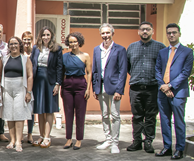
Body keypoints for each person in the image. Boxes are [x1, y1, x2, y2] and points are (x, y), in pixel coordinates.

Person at [155, 23, 194, 160]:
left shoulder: (187, 52)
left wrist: (170, 86)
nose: (171, 35)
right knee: (164, 120)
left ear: (179, 34)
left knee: (178, 121)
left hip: (178, 92)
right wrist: (163, 87)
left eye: (174, 32)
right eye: (169, 33)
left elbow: (185, 73)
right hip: (163, 92)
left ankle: (179, 149)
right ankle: (167, 147)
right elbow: (158, 71)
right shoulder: (162, 52)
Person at [126, 21, 166, 153]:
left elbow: (163, 67)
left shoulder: (160, 47)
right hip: (135, 88)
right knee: (136, 116)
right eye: (142, 29)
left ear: (152, 31)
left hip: (152, 88)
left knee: (150, 116)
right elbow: (128, 67)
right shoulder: (131, 47)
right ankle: (136, 141)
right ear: (138, 31)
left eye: (148, 29)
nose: (145, 32)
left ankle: (148, 141)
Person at [92, 23, 127, 154]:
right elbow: (95, 70)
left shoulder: (120, 49)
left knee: (115, 115)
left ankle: (115, 143)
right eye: (103, 33)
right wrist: (95, 88)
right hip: (101, 88)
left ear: (112, 33)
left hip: (114, 88)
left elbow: (123, 71)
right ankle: (108, 139)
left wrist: (119, 90)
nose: (105, 36)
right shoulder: (97, 49)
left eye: (107, 33)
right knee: (104, 114)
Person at [30, 27, 63, 148]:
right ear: (40, 36)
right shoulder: (35, 48)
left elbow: (60, 67)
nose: (45, 37)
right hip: (37, 80)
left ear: (51, 36)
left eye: (48, 35)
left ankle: (48, 137)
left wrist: (58, 83)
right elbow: (32, 63)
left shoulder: (57, 49)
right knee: (39, 109)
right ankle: (41, 135)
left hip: (50, 81)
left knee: (49, 109)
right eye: (43, 35)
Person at [1, 36, 33, 152]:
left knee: (19, 116)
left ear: (20, 45)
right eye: (11, 44)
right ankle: (12, 140)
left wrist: (28, 92)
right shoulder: (5, 59)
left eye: (15, 43)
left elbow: (30, 76)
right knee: (9, 115)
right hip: (7, 90)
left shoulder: (25, 59)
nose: (13, 46)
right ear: (8, 47)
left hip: (20, 89)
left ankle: (19, 141)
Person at [61, 32, 92, 150]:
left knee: (80, 113)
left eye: (75, 41)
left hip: (80, 85)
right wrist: (63, 88)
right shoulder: (64, 56)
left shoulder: (86, 56)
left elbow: (89, 73)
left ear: (79, 42)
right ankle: (68, 139)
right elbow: (62, 73)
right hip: (68, 84)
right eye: (70, 42)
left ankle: (79, 139)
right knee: (68, 112)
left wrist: (88, 89)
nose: (73, 44)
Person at [21, 30, 35, 144]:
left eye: (29, 39)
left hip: (32, 84)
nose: (26, 41)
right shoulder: (19, 52)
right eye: (25, 39)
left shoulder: (35, 52)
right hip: (20, 84)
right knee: (20, 109)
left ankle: (30, 134)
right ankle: (20, 133)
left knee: (31, 110)